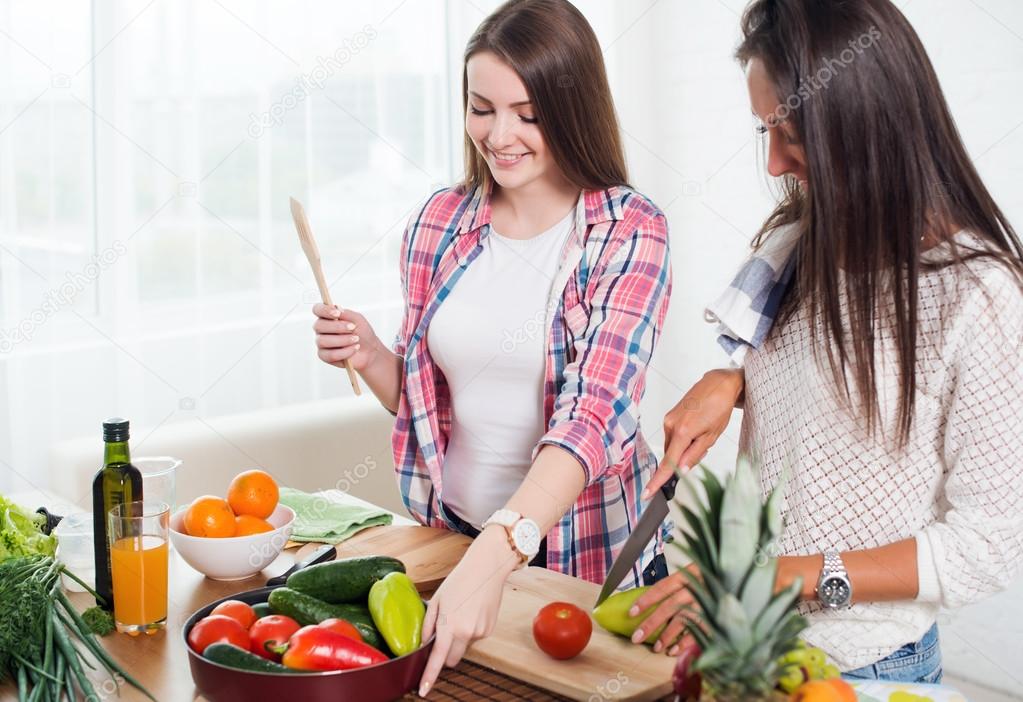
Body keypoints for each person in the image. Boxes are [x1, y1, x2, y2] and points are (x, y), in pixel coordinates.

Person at [635, 0, 1023, 685]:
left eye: (791, 132)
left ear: (868, 121)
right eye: (764, 130)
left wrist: (774, 580)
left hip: (869, 665)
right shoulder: (802, 239)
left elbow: (986, 546)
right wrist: (732, 379)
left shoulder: (976, 296)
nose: (776, 162)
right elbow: (830, 379)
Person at [312, 0, 672, 693]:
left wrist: (498, 551)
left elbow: (594, 414)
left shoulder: (627, 230)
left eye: (527, 113)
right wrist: (370, 356)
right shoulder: (440, 221)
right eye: (482, 108)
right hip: (455, 542)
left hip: (584, 564)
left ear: (573, 107)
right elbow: (428, 403)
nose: (499, 134)